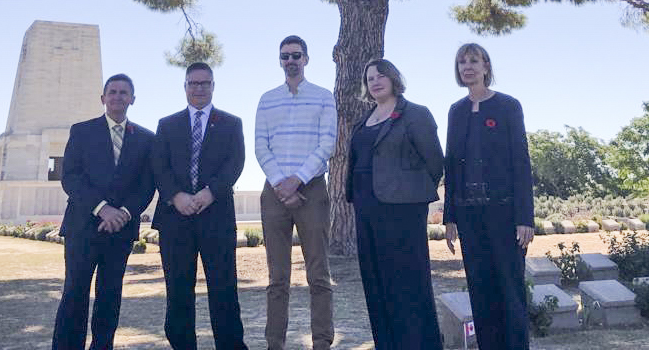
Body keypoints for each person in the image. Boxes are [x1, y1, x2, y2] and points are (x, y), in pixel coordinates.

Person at [345, 58, 444, 350]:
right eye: (370, 78)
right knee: (376, 283)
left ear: (393, 79)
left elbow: (434, 162)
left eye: (381, 76)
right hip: (366, 210)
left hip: (403, 212)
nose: (375, 82)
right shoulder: (363, 120)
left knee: (407, 283)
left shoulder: (416, 114)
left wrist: (408, 191)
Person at [52, 73, 156, 350]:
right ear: (103, 98)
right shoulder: (81, 131)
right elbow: (70, 177)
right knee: (74, 293)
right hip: (82, 227)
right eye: (113, 92)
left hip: (121, 230)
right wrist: (102, 209)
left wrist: (123, 213)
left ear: (132, 99)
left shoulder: (147, 139)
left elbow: (147, 184)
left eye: (124, 92)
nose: (118, 97)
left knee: (110, 295)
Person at [151, 62, 248, 350]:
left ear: (213, 86)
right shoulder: (167, 125)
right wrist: (175, 196)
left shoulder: (231, 123)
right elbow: (159, 166)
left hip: (216, 216)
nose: (199, 88)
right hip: (175, 219)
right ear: (185, 87)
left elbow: (235, 162)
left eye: (205, 83)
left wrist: (210, 192)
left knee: (224, 289)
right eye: (193, 83)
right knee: (178, 291)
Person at [443, 43, 534, 350]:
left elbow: (521, 163)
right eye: (462, 62)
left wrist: (525, 218)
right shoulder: (456, 111)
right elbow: (451, 164)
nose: (467, 67)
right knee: (481, 292)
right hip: (469, 216)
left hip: (504, 214)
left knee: (510, 291)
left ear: (485, 67)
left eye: (473, 61)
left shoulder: (508, 106)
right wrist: (450, 218)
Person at [255, 35, 337, 350]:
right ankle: (274, 343)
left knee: (318, 274)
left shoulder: (323, 97)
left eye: (296, 55)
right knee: (277, 278)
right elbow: (260, 145)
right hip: (274, 191)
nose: (290, 60)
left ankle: (322, 342)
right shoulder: (267, 99)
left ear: (306, 59)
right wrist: (281, 182)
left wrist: (298, 180)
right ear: (280, 61)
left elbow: (327, 142)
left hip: (311, 189)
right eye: (285, 56)